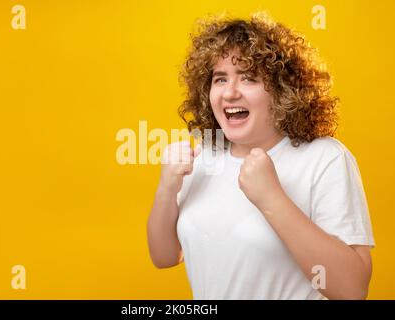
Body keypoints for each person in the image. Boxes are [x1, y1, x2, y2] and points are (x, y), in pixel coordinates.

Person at [146, 13, 375, 300]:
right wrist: (166, 188)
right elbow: (165, 256)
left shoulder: (324, 158)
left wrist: (272, 199)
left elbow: (352, 290)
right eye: (220, 79)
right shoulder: (202, 154)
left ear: (283, 91)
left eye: (248, 78)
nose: (229, 93)